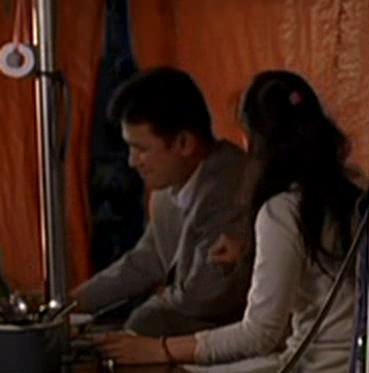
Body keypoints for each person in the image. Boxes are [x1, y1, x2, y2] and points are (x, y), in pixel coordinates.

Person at [96, 70, 364, 373]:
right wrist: (247, 253)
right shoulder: (352, 190)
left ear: (257, 143)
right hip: (322, 369)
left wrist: (160, 350)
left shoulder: (281, 209)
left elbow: (260, 334)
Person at [71, 67, 253, 337]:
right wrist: (71, 303)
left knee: (147, 322)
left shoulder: (231, 186)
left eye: (142, 149)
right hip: (193, 330)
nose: (132, 162)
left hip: (234, 338)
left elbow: (205, 298)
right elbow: (146, 260)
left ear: (184, 143)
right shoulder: (168, 190)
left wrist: (151, 311)